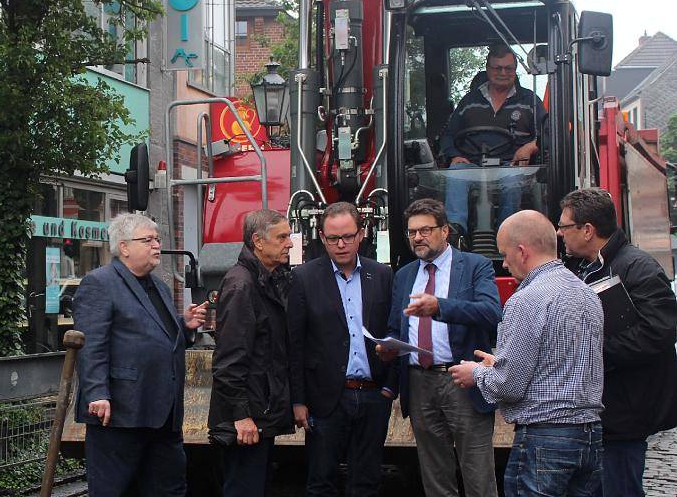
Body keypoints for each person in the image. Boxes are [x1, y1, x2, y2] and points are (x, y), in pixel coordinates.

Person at [450, 210, 604, 497]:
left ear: (522, 251)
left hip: (544, 438)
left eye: (505, 255)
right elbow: (556, 361)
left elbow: (509, 385)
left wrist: (477, 373)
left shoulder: (526, 299)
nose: (504, 264)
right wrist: (498, 365)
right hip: (590, 435)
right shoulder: (587, 294)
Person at [73, 213, 207, 496]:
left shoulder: (158, 285)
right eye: (147, 240)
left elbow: (162, 340)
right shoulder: (99, 283)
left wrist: (185, 327)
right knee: (116, 489)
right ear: (124, 247)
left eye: (157, 239)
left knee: (169, 489)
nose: (156, 245)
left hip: (163, 414)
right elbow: (92, 345)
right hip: (121, 413)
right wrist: (97, 393)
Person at [377, 198, 501, 497]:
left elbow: (491, 312)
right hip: (419, 381)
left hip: (461, 379)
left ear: (445, 231)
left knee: (477, 475)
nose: (417, 237)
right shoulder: (405, 274)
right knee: (434, 476)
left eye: (425, 230)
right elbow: (397, 325)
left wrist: (441, 307)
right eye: (411, 232)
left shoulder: (474, 265)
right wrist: (389, 347)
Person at [557, 188, 677, 497]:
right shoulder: (577, 267)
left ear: (587, 230)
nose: (559, 233)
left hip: (625, 411)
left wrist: (594, 351)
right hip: (595, 410)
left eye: (565, 226)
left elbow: (660, 331)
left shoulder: (639, 267)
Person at [288, 201, 395, 497]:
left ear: (361, 234)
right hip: (325, 400)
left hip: (373, 396)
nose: (341, 244)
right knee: (321, 482)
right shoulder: (304, 278)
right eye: (333, 238)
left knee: (367, 482)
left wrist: (389, 389)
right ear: (322, 237)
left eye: (348, 236)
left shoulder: (382, 275)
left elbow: (393, 331)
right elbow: (295, 343)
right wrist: (298, 401)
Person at [208, 209, 294, 496]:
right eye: (282, 237)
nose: (290, 243)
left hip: (260, 411)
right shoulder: (242, 284)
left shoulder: (266, 280)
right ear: (258, 241)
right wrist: (241, 415)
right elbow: (229, 360)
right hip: (248, 418)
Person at [440, 44, 548, 236]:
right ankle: (456, 233)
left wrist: (531, 147)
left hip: (512, 165)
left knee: (513, 178)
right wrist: (454, 155)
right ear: (488, 69)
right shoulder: (469, 101)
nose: (503, 73)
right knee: (456, 172)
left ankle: (506, 234)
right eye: (498, 68)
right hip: (472, 165)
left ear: (515, 71)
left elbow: (548, 132)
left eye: (509, 68)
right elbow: (448, 134)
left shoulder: (530, 101)